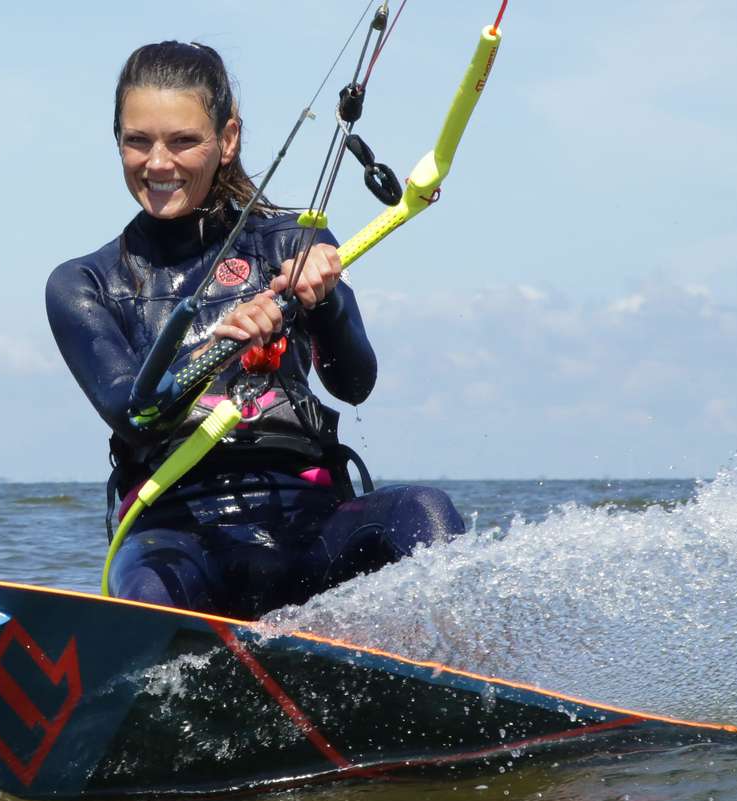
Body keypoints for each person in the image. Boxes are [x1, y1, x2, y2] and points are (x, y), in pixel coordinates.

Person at [46, 40, 463, 620]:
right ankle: (159, 663)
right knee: (148, 591)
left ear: (228, 139)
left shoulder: (293, 241)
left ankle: (453, 659)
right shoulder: (84, 283)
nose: (158, 163)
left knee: (424, 510)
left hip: (309, 520)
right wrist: (218, 344)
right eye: (138, 141)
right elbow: (132, 415)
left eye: (182, 141)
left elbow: (355, 383)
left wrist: (327, 304)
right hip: (174, 535)